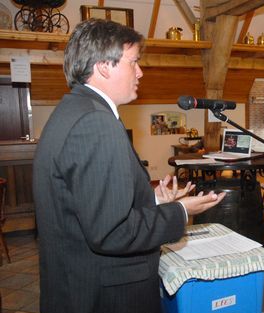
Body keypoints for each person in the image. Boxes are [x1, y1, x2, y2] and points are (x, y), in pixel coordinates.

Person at [32, 19, 225, 313]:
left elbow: (86, 202)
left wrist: (154, 198)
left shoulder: (72, 109)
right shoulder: (95, 122)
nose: (140, 71)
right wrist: (182, 211)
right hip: (107, 292)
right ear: (104, 66)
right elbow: (112, 232)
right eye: (133, 62)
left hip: (75, 281)